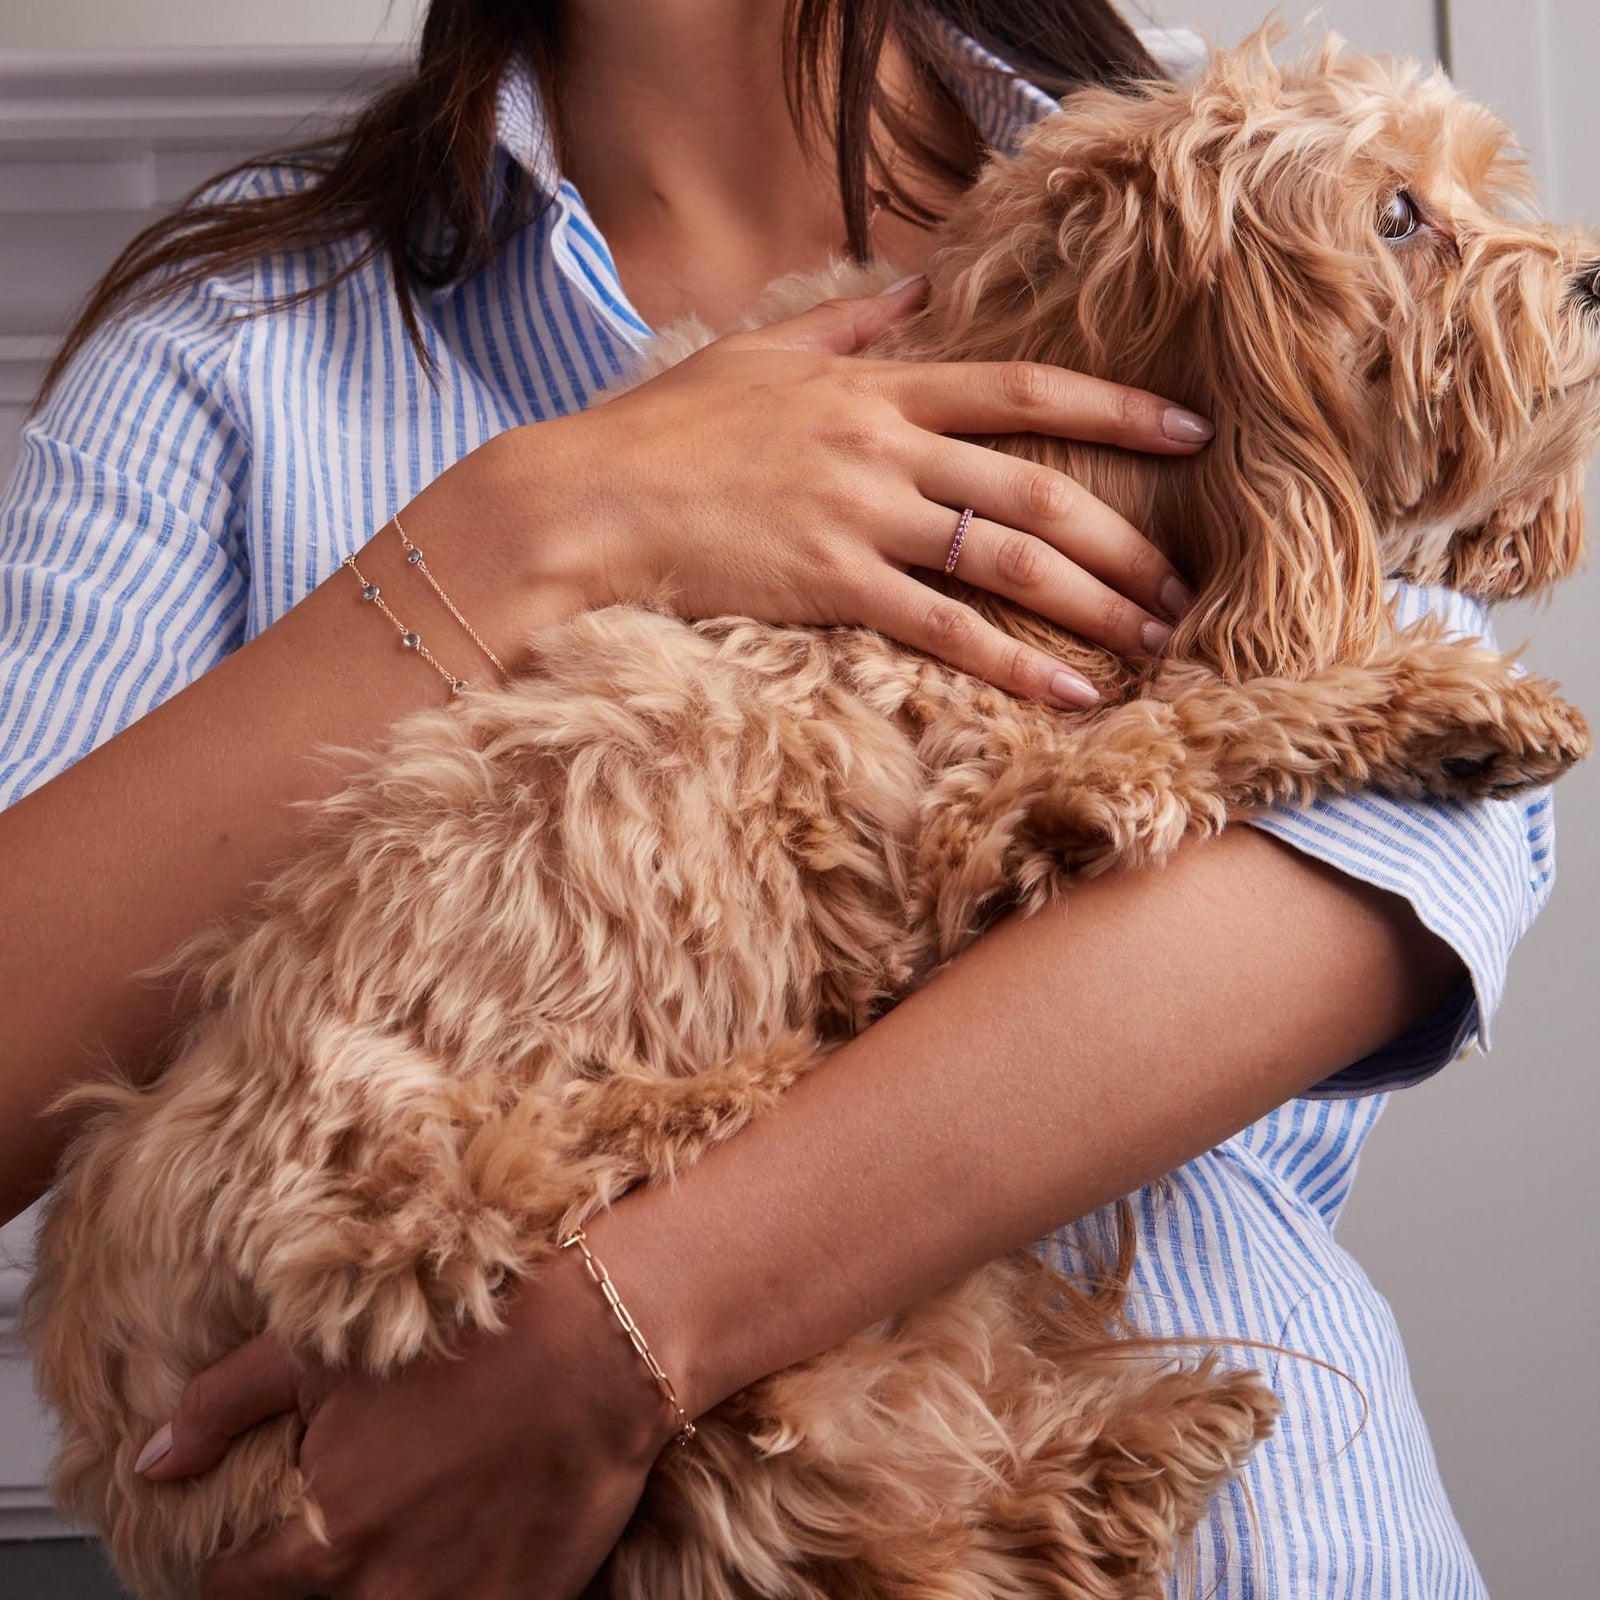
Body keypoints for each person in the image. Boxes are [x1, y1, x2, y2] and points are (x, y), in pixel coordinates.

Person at [0, 3, 1544, 1596]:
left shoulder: (1243, 179)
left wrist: (619, 1330)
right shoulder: (226, 367)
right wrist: (540, 527)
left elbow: (1363, 846)